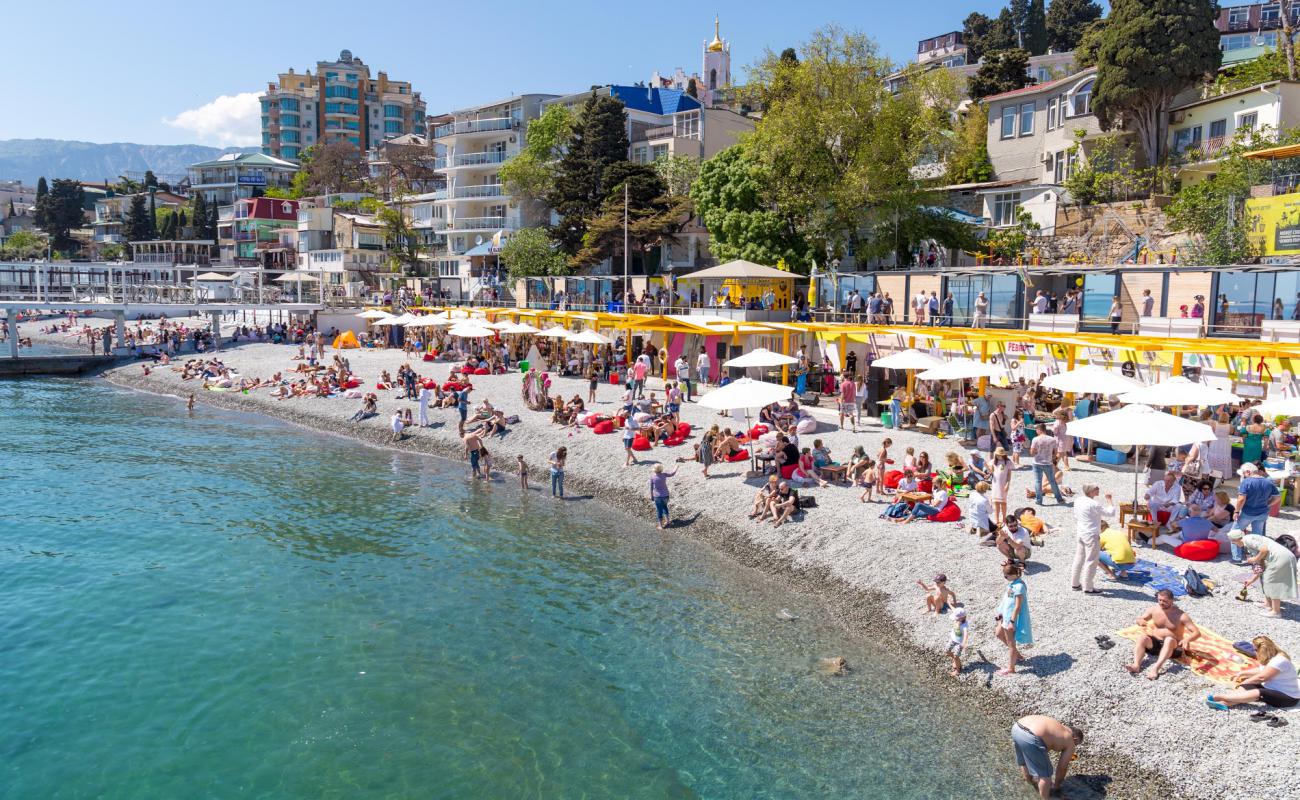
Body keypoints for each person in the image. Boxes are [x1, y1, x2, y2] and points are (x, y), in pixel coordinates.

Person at [1126, 589, 1202, 680]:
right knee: (1142, 638)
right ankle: (1136, 665)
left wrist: (1186, 640)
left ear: (1172, 600)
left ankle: (1155, 669)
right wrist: (1140, 621)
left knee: (1169, 640)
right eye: (1159, 600)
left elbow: (1197, 632)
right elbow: (1141, 618)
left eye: (1165, 601)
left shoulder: (1181, 615)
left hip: (1173, 648)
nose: (1161, 603)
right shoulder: (1154, 609)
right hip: (1156, 644)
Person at [1207, 636, 1300, 710]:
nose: (1254, 652)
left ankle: (1222, 697)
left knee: (1259, 692)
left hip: (1288, 698)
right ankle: (1224, 703)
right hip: (1273, 687)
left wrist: (1245, 682)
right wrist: (1242, 673)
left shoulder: (1279, 660)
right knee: (1248, 686)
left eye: (1255, 650)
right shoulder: (1272, 655)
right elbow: (1261, 670)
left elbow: (1262, 677)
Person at [1011, 715, 1083, 800]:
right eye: (1076, 744)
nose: (1074, 746)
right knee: (1045, 775)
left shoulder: (1059, 727)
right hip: (1031, 736)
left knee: (1025, 761)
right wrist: (1056, 786)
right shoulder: (1070, 741)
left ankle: (1029, 783)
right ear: (1075, 739)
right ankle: (1044, 798)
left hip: (1017, 727)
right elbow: (1062, 768)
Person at [1230, 529, 1297, 618]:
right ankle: (1268, 604)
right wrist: (1251, 580)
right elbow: (1261, 565)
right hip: (1284, 557)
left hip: (1280, 558)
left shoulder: (1248, 540)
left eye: (1233, 542)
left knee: (1273, 582)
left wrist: (1254, 559)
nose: (1234, 544)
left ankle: (1276, 612)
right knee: (1266, 579)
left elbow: (1264, 550)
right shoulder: (1248, 543)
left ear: (1236, 540)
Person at [1230, 463, 1280, 563]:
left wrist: (1236, 511)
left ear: (1248, 472)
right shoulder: (1268, 482)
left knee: (1234, 533)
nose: (1243, 476)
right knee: (1257, 537)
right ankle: (1256, 558)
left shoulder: (1247, 482)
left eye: (1244, 473)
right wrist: (1268, 504)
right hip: (1262, 513)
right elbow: (1277, 498)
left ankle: (1237, 558)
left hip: (1247, 513)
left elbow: (1241, 499)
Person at [1070, 484, 1115, 594]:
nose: (1098, 489)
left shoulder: (1078, 500)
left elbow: (1076, 516)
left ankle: (1075, 584)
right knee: (1091, 561)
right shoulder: (1094, 503)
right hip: (1091, 535)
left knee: (1079, 558)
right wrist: (1109, 500)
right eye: (1096, 488)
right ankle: (1088, 587)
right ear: (1091, 491)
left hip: (1081, 532)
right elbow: (1111, 513)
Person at [995, 562, 1032, 676]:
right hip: (1005, 616)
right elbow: (1006, 600)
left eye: (1006, 576)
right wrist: (1000, 612)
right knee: (998, 634)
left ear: (1014, 574)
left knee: (1011, 643)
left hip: (1011, 619)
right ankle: (1018, 655)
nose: (1005, 578)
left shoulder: (1019, 586)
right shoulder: (1011, 584)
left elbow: (1017, 606)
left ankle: (1011, 668)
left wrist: (1012, 621)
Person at [1029, 424, 1065, 505]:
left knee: (1038, 481)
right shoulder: (1052, 439)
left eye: (1036, 430)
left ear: (1039, 429)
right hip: (1048, 463)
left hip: (1037, 462)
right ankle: (1059, 499)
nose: (1036, 431)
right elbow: (1055, 453)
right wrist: (1051, 457)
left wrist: (1037, 452)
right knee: (1052, 482)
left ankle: (1039, 500)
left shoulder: (1035, 439)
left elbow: (1031, 452)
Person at [650, 464, 679, 530]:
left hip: (657, 496)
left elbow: (651, 488)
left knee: (659, 510)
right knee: (665, 507)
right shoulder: (664, 474)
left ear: (654, 470)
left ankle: (660, 525)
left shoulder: (652, 477)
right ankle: (668, 521)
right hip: (666, 495)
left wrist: (651, 496)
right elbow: (672, 473)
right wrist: (676, 467)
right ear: (661, 469)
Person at [947, 607, 970, 677]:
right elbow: (954, 609)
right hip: (953, 639)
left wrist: (964, 642)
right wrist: (949, 603)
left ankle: (958, 670)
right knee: (947, 650)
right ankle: (955, 660)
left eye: (956, 618)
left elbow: (966, 634)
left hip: (960, 643)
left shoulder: (964, 625)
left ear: (962, 618)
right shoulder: (958, 619)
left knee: (956, 656)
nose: (955, 619)